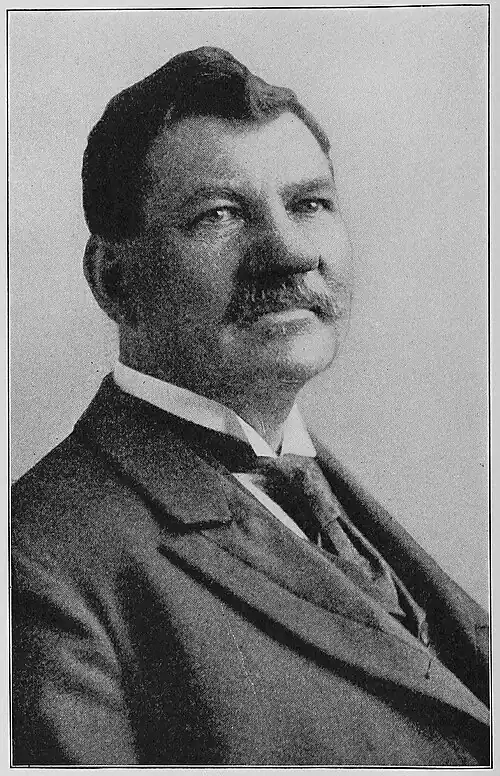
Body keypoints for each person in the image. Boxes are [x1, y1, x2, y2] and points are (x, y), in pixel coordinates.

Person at [11, 46, 489, 766]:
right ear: (113, 279)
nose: (289, 251)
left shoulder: (324, 491)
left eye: (309, 204)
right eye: (221, 215)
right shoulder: (38, 565)